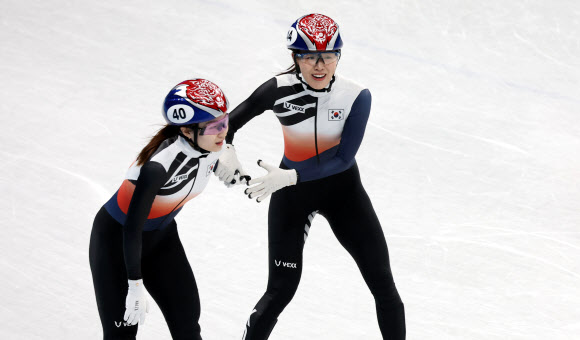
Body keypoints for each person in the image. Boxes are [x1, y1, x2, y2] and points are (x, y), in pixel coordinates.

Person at [214, 13, 406, 340]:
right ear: (295, 57)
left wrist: (290, 177)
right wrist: (224, 146)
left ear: (339, 57)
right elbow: (225, 124)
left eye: (328, 56)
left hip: (343, 193)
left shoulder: (356, 95)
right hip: (292, 198)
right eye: (309, 56)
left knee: (383, 285)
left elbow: (344, 157)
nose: (320, 65)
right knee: (280, 290)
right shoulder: (278, 89)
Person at [89, 78, 231, 340]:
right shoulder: (158, 167)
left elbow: (253, 107)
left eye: (225, 121)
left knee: (187, 324)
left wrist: (224, 157)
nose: (223, 131)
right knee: (121, 334)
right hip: (117, 242)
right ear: (187, 131)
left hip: (162, 238)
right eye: (215, 126)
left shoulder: (208, 140)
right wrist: (134, 284)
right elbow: (132, 229)